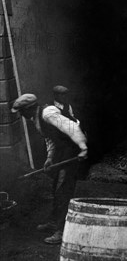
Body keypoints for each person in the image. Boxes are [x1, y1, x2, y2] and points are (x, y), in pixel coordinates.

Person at [11, 93, 88, 244]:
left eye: (21, 111)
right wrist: (50, 158)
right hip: (63, 149)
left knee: (63, 189)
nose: (21, 115)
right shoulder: (37, 118)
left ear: (28, 109)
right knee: (56, 186)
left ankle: (62, 230)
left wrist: (83, 147)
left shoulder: (48, 113)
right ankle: (54, 222)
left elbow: (71, 127)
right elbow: (50, 138)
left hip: (73, 147)